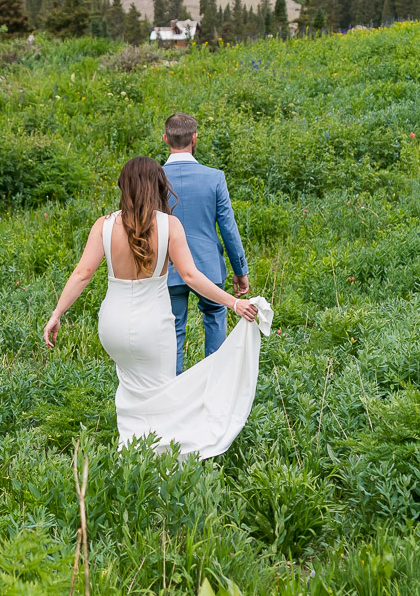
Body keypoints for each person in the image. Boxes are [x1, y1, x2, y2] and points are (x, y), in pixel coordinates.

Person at [42, 156, 271, 458]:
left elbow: (83, 273)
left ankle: (131, 454)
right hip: (153, 324)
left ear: (124, 186)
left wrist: (57, 314)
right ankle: (163, 461)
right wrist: (233, 302)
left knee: (130, 389)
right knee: (163, 393)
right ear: (158, 186)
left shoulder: (104, 225)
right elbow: (190, 275)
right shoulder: (169, 225)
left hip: (112, 325)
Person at [161, 112, 249, 373]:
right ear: (195, 138)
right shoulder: (214, 177)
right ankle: (215, 387)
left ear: (166, 139)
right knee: (214, 318)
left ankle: (173, 394)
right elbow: (228, 229)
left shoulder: (155, 178)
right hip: (208, 269)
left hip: (168, 270)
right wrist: (239, 271)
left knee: (173, 331)